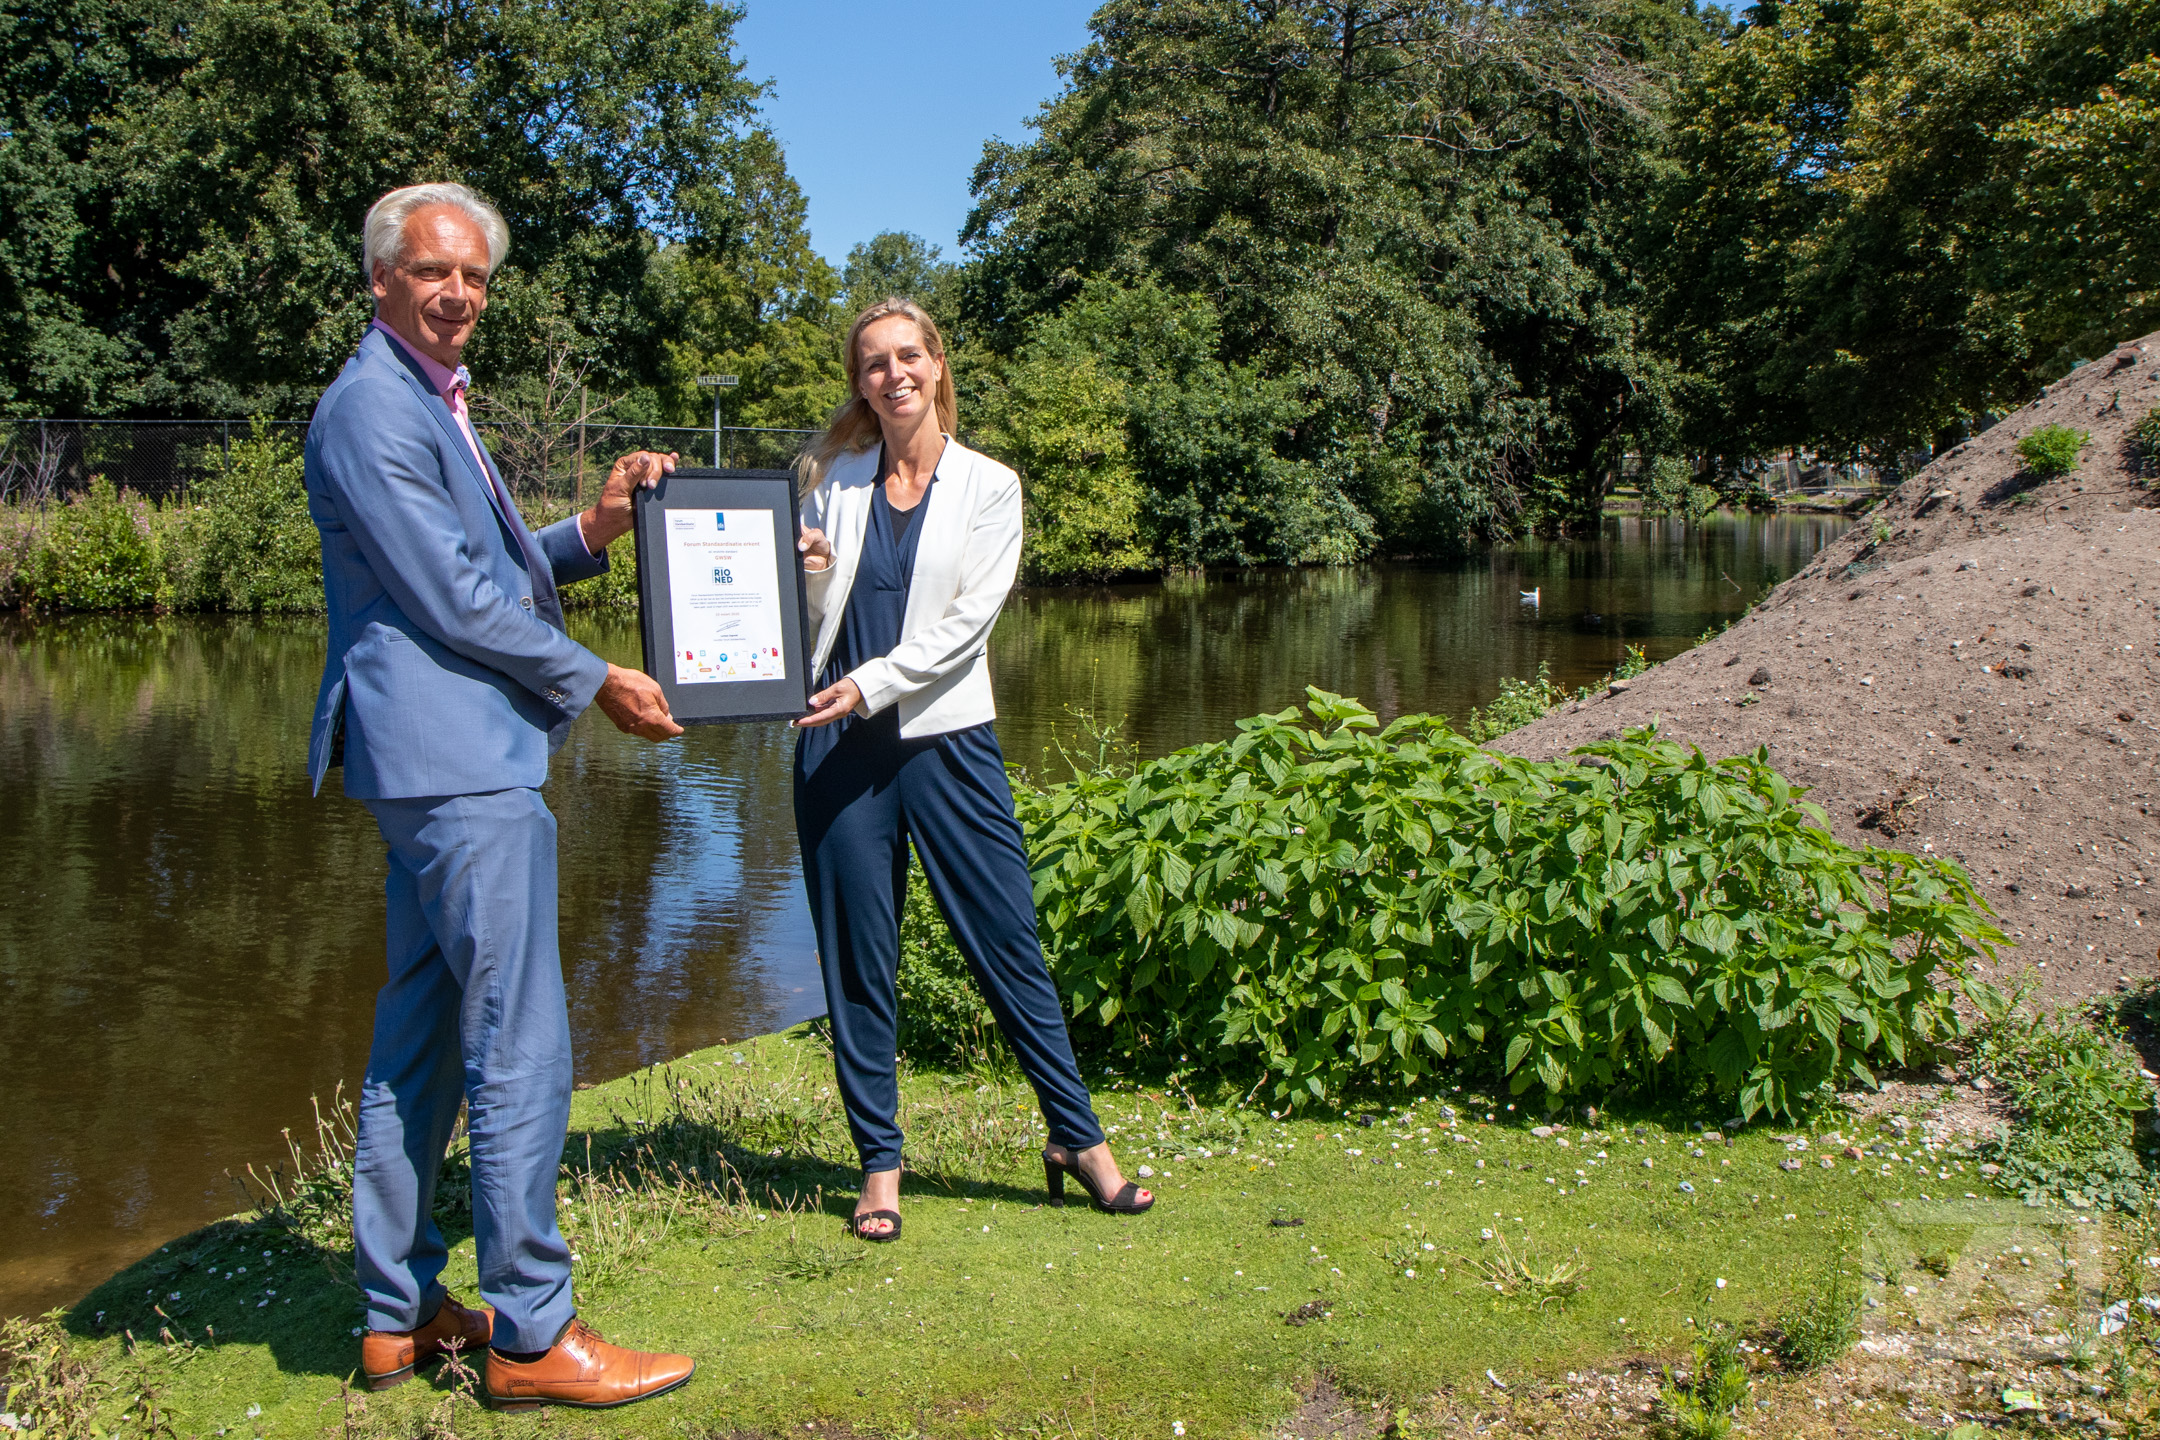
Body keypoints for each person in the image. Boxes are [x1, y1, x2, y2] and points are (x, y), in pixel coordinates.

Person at [306, 181, 694, 1412]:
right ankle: (531, 1329)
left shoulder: (423, 400)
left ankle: (399, 1310)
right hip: (462, 769)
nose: (459, 293)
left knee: (418, 1034)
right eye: (435, 271)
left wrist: (592, 528)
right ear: (380, 279)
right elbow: (453, 601)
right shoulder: (374, 406)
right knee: (517, 1038)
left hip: (432, 769)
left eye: (474, 277)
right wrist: (597, 681)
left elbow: (486, 564)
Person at [792, 297, 1152, 1241]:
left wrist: (871, 683)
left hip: (947, 743)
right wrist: (812, 568)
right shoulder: (831, 480)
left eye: (909, 356)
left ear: (938, 365)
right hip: (836, 745)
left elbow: (965, 630)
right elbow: (804, 620)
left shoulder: (992, 485)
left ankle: (1079, 1142)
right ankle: (880, 1166)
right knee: (858, 963)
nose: (893, 374)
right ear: (859, 382)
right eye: (873, 363)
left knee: (1008, 946)